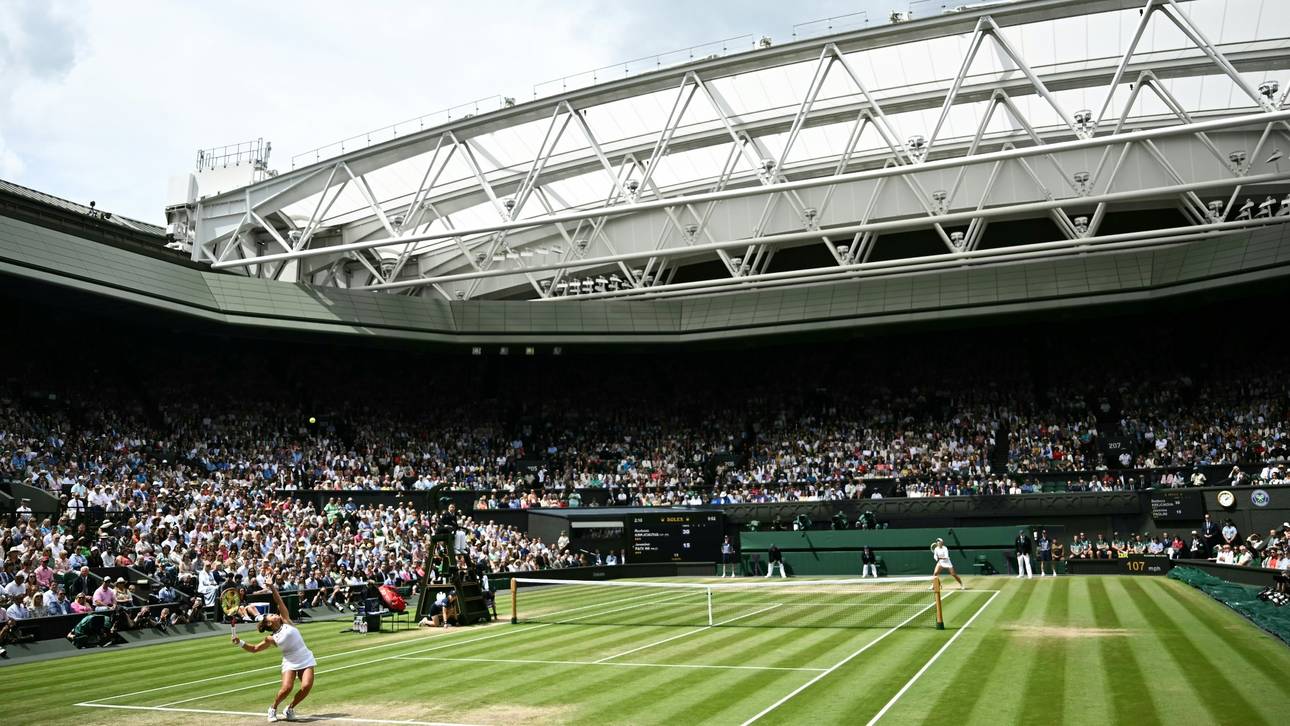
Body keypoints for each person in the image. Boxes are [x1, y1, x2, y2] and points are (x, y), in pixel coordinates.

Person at [231, 584, 316, 722]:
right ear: (269, 624)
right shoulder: (271, 638)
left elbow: (279, 601)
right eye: (271, 615)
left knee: (306, 686)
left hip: (305, 657)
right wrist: (240, 642)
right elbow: (254, 649)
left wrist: (272, 588)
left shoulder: (287, 621)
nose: (274, 614)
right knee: (286, 688)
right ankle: (273, 708)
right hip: (290, 662)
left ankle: (289, 708)